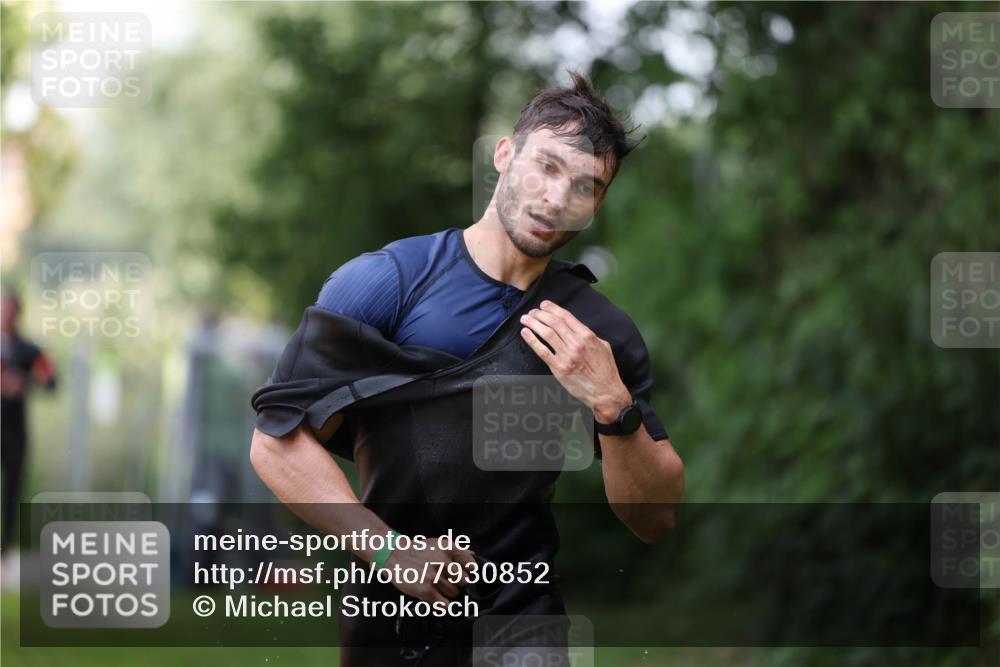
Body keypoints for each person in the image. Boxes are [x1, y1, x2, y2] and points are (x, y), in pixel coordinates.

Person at [250, 70, 685, 665]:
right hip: (393, 622)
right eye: (548, 166)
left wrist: (614, 406)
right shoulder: (388, 281)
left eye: (585, 185)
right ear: (504, 156)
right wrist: (387, 551)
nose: (557, 199)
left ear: (598, 202)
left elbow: (655, 517)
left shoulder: (598, 333)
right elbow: (276, 442)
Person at [1, 289, 57, 556]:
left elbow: (51, 380)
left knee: (12, 492)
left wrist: (25, 383)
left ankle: (5, 552)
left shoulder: (29, 350)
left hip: (14, 433)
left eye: (11, 308)